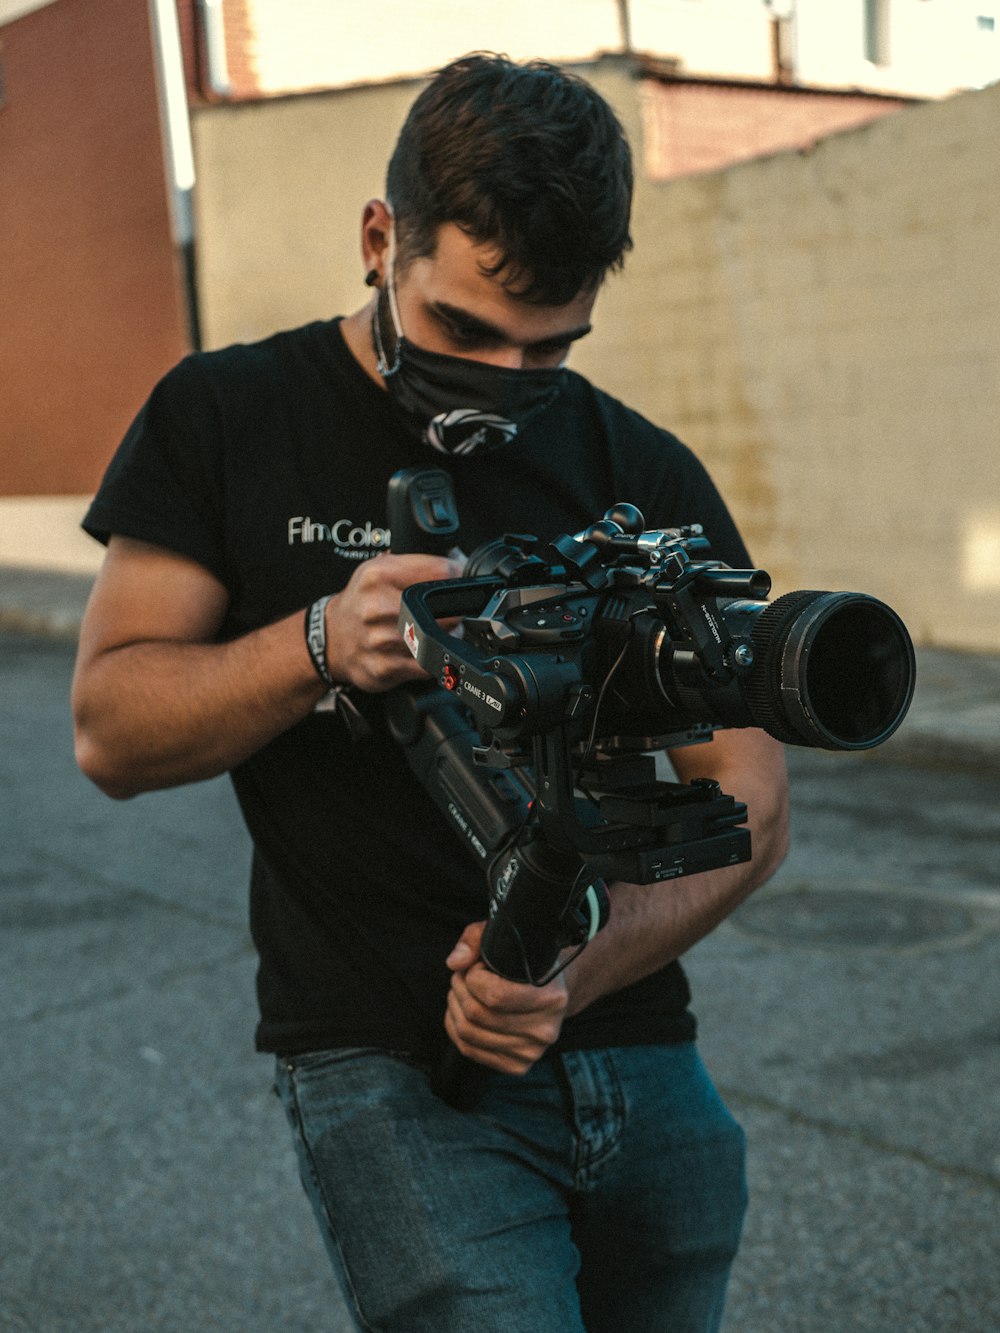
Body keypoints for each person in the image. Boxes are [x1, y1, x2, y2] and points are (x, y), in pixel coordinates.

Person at [73, 53, 788, 1332]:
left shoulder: (640, 466)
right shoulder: (228, 414)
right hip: (385, 1065)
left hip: (639, 1050)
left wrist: (569, 965)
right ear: (377, 238)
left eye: (550, 348)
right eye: (464, 330)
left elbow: (749, 795)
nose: (507, 381)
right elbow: (110, 727)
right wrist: (317, 641)